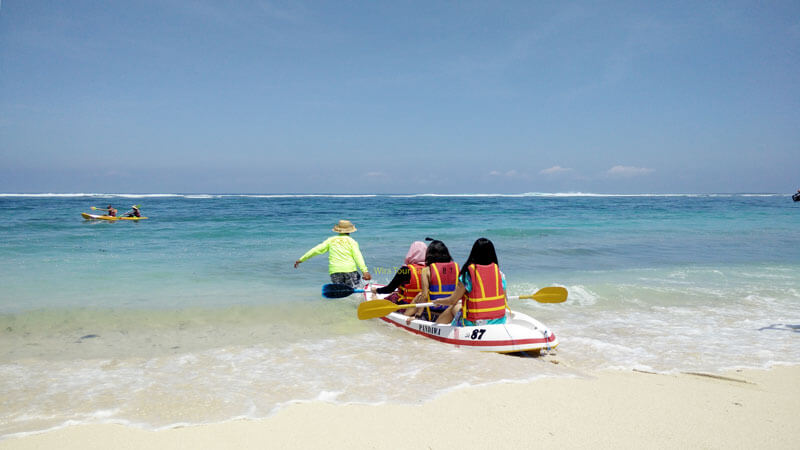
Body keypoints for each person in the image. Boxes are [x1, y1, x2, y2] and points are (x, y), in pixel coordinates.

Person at [431, 238, 508, 326]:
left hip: (474, 323)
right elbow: (504, 298)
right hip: (499, 321)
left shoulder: (468, 276)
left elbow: (452, 301)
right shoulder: (499, 274)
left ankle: (436, 330)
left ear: (473, 253)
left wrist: (438, 301)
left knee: (453, 307)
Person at [294, 220, 371, 288]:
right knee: (356, 288)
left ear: (338, 230)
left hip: (335, 272)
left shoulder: (330, 240)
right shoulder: (352, 242)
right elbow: (358, 256)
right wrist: (365, 271)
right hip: (350, 270)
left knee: (341, 292)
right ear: (350, 231)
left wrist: (301, 259)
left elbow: (316, 250)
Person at [402, 239, 459, 323]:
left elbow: (425, 296)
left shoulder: (427, 270)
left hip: (433, 314)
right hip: (450, 311)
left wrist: (418, 315)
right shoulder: (456, 268)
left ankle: (402, 319)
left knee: (420, 295)